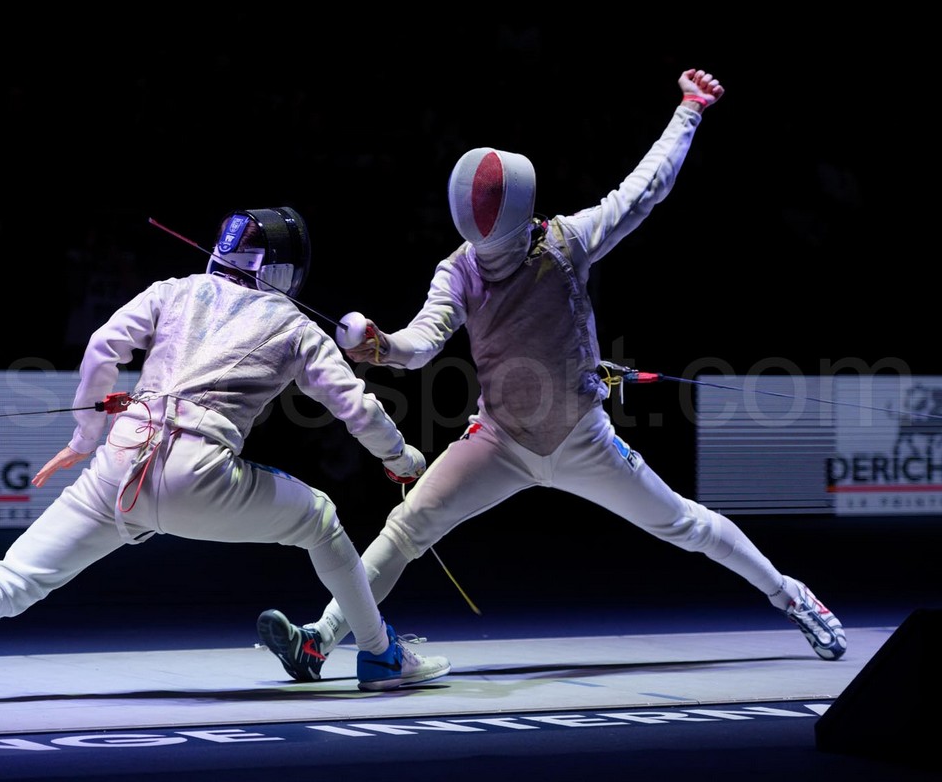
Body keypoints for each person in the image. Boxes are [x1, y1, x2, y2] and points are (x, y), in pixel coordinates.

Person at [255, 68, 846, 683]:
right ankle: (318, 640)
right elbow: (421, 343)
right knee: (407, 528)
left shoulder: (565, 244)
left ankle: (793, 596)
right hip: (498, 442)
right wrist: (384, 347)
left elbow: (645, 191)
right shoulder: (466, 269)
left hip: (582, 440)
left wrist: (687, 113)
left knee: (681, 523)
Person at [0, 206, 451, 711]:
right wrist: (400, 457)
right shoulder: (294, 326)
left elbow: (103, 346)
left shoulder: (172, 291)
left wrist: (85, 437)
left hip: (119, 462)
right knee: (321, 520)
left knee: (10, 579)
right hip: (199, 476)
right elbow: (355, 407)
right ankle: (379, 654)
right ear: (285, 270)